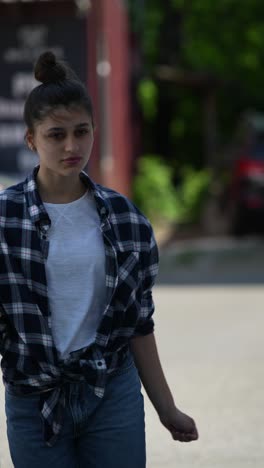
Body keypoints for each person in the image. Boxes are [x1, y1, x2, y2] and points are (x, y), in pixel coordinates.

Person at [0, 51, 198, 468]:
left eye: (81, 131)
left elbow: (138, 324)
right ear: (32, 139)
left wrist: (167, 408)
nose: (71, 146)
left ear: (94, 131)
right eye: (56, 135)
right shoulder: (5, 218)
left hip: (111, 393)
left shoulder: (126, 219)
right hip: (35, 399)